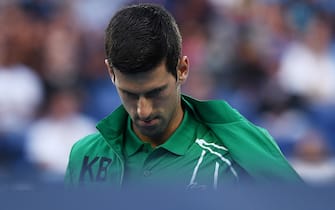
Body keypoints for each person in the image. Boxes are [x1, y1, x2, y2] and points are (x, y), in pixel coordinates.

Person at [65, 3, 302, 190]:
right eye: (129, 94)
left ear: (182, 70)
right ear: (110, 72)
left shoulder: (236, 156)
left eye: (156, 92)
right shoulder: (85, 156)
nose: (143, 111)